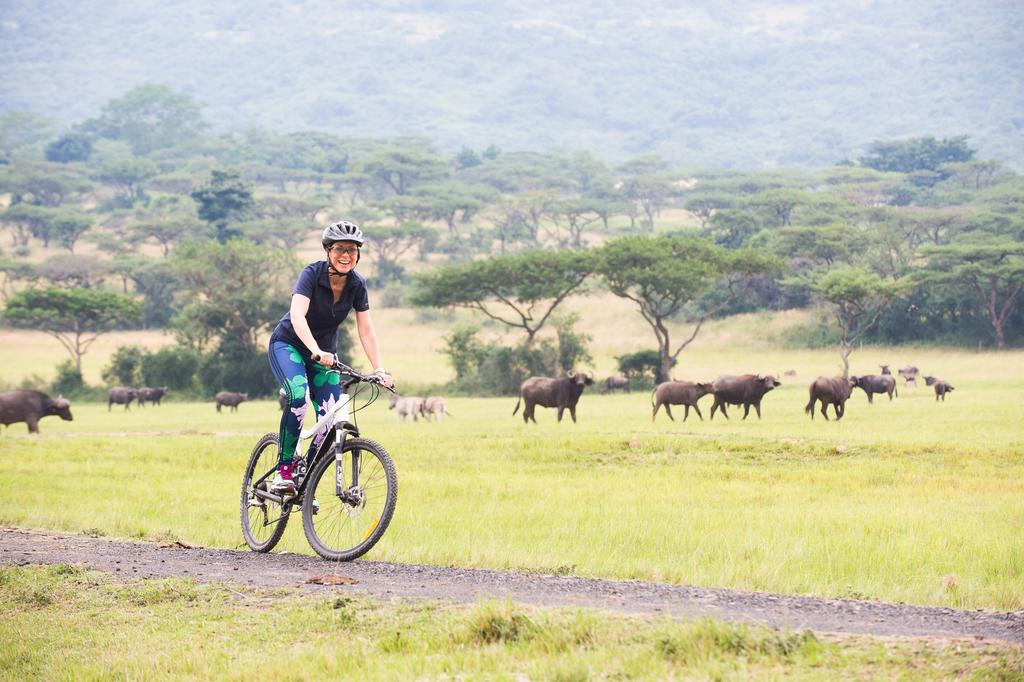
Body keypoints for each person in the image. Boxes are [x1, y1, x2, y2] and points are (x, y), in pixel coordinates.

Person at [267, 221, 393, 495]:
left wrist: (379, 369)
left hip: (325, 356)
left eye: (352, 250)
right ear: (328, 251)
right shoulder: (311, 274)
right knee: (298, 398)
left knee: (330, 418)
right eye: (339, 249)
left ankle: (305, 484)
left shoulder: (357, 285)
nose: (346, 255)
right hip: (289, 344)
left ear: (358, 254)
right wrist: (314, 349)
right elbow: (297, 315)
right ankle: (283, 471)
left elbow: (366, 330)